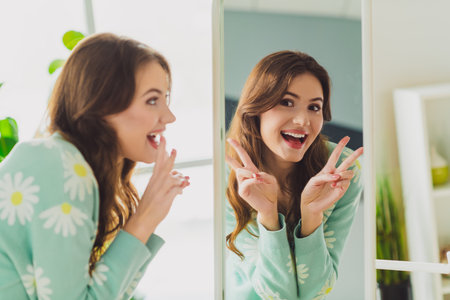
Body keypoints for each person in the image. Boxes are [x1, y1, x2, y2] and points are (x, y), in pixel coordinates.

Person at [0, 33, 189, 299]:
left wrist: (148, 215)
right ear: (102, 105)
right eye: (152, 100)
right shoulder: (59, 167)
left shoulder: (65, 164)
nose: (169, 116)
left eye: (165, 98)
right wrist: (145, 217)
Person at [225, 50, 363, 300]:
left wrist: (312, 216)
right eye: (287, 102)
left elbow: (315, 291)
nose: (303, 120)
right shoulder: (230, 176)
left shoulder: (341, 171)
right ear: (257, 107)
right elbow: (275, 294)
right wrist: (268, 216)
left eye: (314, 107)